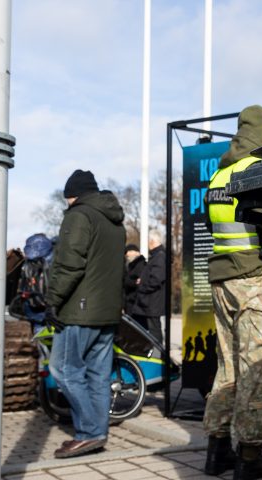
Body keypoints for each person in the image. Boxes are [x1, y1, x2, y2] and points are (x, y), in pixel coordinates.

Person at [202, 104, 262, 480]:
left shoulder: (219, 176)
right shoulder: (256, 170)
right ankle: (249, 456)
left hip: (220, 280)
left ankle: (216, 451)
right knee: (254, 367)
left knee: (227, 366)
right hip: (252, 279)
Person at [45, 169, 126, 458]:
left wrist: (52, 300)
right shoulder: (115, 222)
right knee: (98, 375)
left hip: (79, 310)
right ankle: (96, 433)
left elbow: (69, 264)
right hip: (107, 312)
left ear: (72, 196)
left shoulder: (79, 216)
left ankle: (90, 432)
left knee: (64, 370)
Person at [130, 230, 166, 343]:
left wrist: (141, 285)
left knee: (154, 331)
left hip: (151, 303)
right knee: (142, 329)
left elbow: (156, 280)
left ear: (152, 241)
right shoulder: (157, 256)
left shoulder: (159, 257)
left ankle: (157, 356)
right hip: (149, 302)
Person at [124, 243, 145, 315]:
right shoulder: (131, 265)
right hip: (131, 301)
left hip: (134, 302)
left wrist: (126, 281)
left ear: (135, 252)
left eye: (128, 252)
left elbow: (139, 282)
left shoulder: (140, 265)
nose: (126, 255)